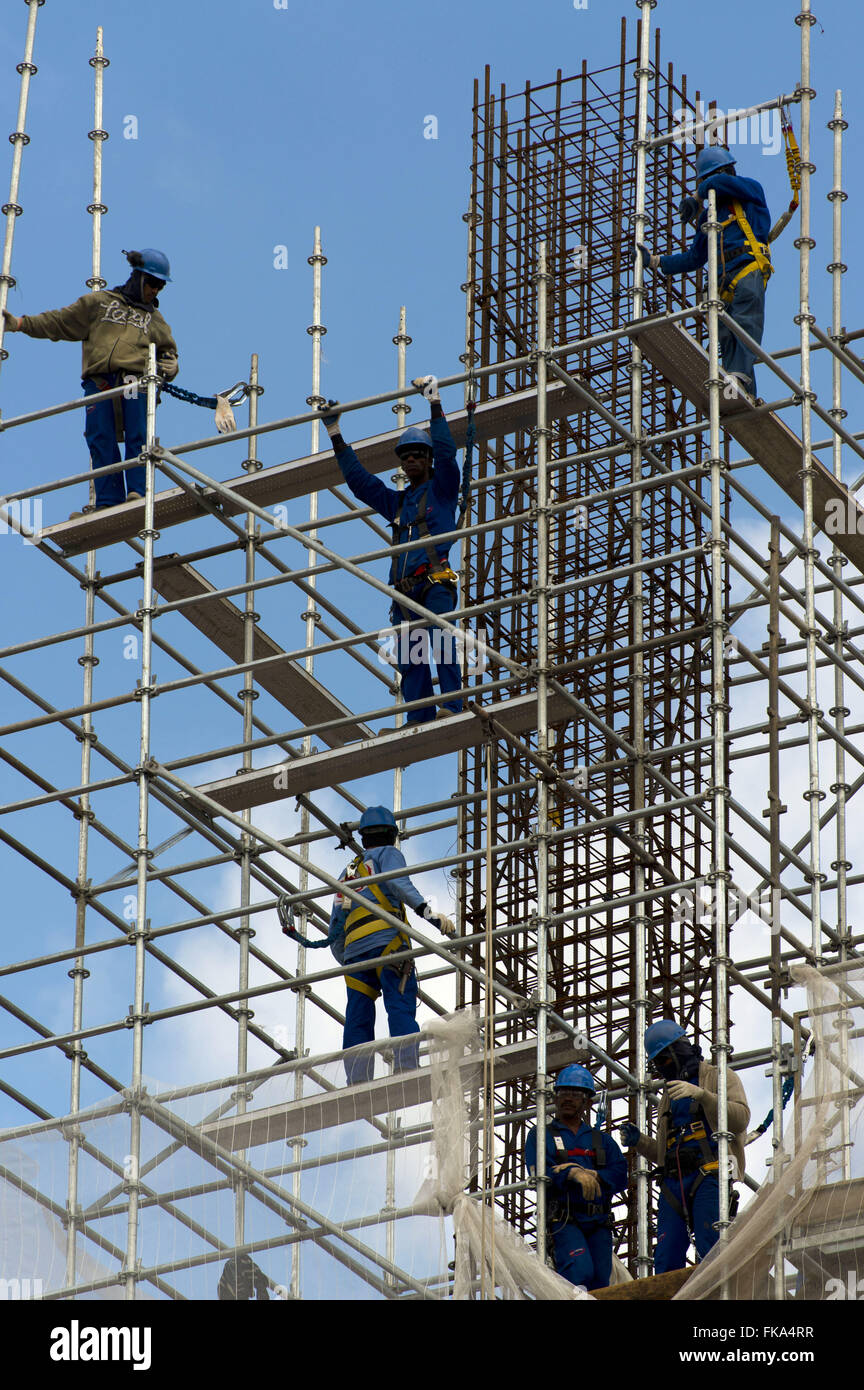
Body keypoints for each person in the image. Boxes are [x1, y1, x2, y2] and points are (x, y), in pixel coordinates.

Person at [320, 375, 463, 726]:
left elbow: (447, 454)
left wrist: (434, 403)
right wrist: (335, 433)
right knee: (410, 659)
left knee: (441, 639)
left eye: (418, 455)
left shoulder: (442, 491)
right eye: (406, 457)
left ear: (427, 461)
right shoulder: (397, 504)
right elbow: (360, 484)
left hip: (435, 583)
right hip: (403, 593)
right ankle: (420, 716)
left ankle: (452, 707)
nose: (411, 461)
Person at [280, 806, 456, 1085]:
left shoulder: (349, 872)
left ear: (363, 839)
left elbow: (336, 924)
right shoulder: (390, 855)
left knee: (357, 1017)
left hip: (356, 955)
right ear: (391, 835)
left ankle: (358, 1079)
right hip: (388, 946)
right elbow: (400, 886)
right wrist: (431, 915)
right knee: (399, 1006)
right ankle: (406, 1068)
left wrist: (349, 961)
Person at [3, 248, 179, 516]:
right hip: (99, 382)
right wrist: (19, 323)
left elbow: (168, 351)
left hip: (133, 380)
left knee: (137, 433)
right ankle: (108, 501)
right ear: (139, 277)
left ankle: (137, 493)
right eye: (153, 284)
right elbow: (59, 321)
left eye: (161, 286)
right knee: (99, 437)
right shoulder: (100, 303)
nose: (156, 291)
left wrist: (172, 366)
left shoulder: (155, 321)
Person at [637, 146, 772, 398]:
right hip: (723, 282)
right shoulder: (709, 218)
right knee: (726, 334)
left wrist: (697, 197)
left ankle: (740, 378)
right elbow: (694, 258)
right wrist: (655, 261)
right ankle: (742, 390)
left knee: (745, 324)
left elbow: (720, 182)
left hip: (747, 269)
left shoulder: (750, 190)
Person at [618, 1019, 750, 1275]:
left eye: (664, 1061)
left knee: (710, 1249)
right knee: (666, 1256)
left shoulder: (717, 1076)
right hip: (673, 1182)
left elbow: (740, 1118)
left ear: (677, 1051)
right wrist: (640, 1141)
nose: (662, 1069)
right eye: (657, 1064)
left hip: (708, 1173)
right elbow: (665, 1154)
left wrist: (703, 1096)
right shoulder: (669, 1096)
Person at [525, 1065, 628, 1291]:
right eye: (563, 1093)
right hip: (565, 1220)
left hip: (598, 1222)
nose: (568, 1099)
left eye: (575, 1094)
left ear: (587, 1102)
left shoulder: (600, 1141)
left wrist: (597, 1176)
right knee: (578, 1273)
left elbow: (621, 1175)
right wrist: (570, 1173)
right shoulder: (541, 1135)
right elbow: (538, 1174)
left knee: (601, 1284)